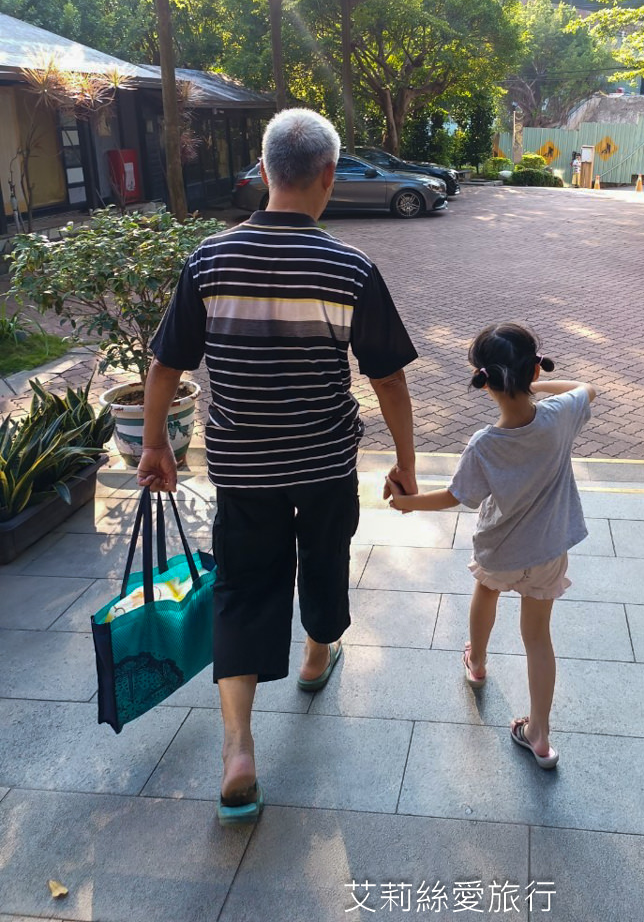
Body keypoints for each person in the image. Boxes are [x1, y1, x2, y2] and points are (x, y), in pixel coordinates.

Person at [136, 108, 418, 824]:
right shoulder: (350, 268)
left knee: (242, 588)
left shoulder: (209, 261)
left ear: (263, 172)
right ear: (328, 175)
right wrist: (406, 463)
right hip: (323, 463)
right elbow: (388, 379)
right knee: (323, 561)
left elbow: (166, 364)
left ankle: (237, 749)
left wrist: (154, 445)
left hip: (242, 467)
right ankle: (317, 660)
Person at [386, 323, 595, 769]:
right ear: (534, 368)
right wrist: (536, 381)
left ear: (485, 382)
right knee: (538, 638)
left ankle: (476, 662)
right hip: (549, 550)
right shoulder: (560, 415)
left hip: (500, 550)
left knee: (486, 593)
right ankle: (539, 735)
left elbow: (454, 497)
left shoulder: (484, 445)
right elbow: (587, 387)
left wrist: (406, 504)